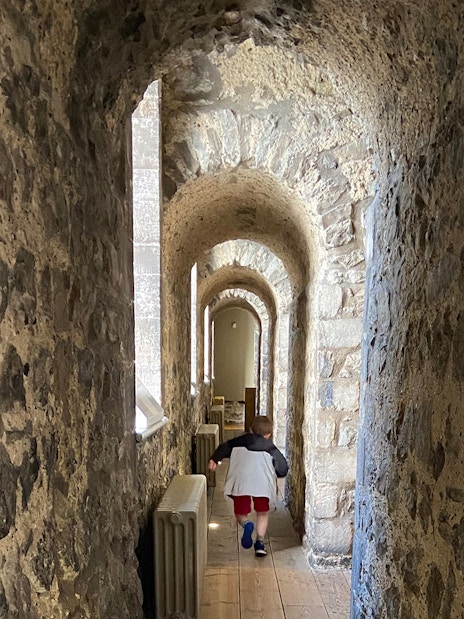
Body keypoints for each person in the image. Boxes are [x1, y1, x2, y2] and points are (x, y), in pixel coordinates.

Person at [208, 415, 288, 557]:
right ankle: (260, 543)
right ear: (268, 435)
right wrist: (278, 473)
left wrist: (215, 458)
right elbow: (282, 468)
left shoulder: (238, 441)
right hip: (262, 484)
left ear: (251, 430)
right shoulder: (270, 448)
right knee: (262, 513)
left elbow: (224, 447)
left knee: (241, 513)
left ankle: (246, 524)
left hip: (241, 483)